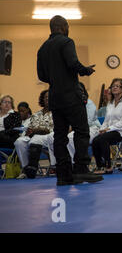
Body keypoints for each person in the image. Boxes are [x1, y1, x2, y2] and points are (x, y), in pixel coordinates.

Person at [37, 15, 102, 186]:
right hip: (71, 95)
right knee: (81, 131)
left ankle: (63, 175)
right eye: (68, 26)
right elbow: (73, 63)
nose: (68, 29)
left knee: (60, 136)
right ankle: (81, 170)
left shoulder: (42, 48)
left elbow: (41, 75)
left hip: (54, 97)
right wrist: (85, 70)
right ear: (63, 27)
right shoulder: (66, 42)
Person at [45, 82, 101, 170]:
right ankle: (57, 165)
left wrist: (71, 128)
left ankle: (75, 165)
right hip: (74, 128)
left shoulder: (89, 103)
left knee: (72, 138)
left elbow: (87, 121)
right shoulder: (71, 104)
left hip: (91, 128)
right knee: (51, 137)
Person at [92, 78, 122, 174]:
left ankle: (108, 166)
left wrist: (108, 129)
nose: (114, 88)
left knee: (103, 139)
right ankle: (100, 166)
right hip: (111, 131)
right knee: (95, 140)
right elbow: (107, 121)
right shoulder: (110, 103)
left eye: (117, 86)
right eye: (113, 86)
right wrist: (102, 129)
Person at [15, 90, 54, 179]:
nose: (47, 98)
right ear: (42, 99)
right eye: (45, 97)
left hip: (49, 136)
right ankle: (26, 169)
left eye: (50, 96)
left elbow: (56, 128)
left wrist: (41, 130)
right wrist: (29, 131)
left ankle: (33, 168)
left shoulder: (57, 112)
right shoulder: (37, 114)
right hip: (34, 135)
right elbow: (31, 126)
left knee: (37, 138)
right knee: (19, 141)